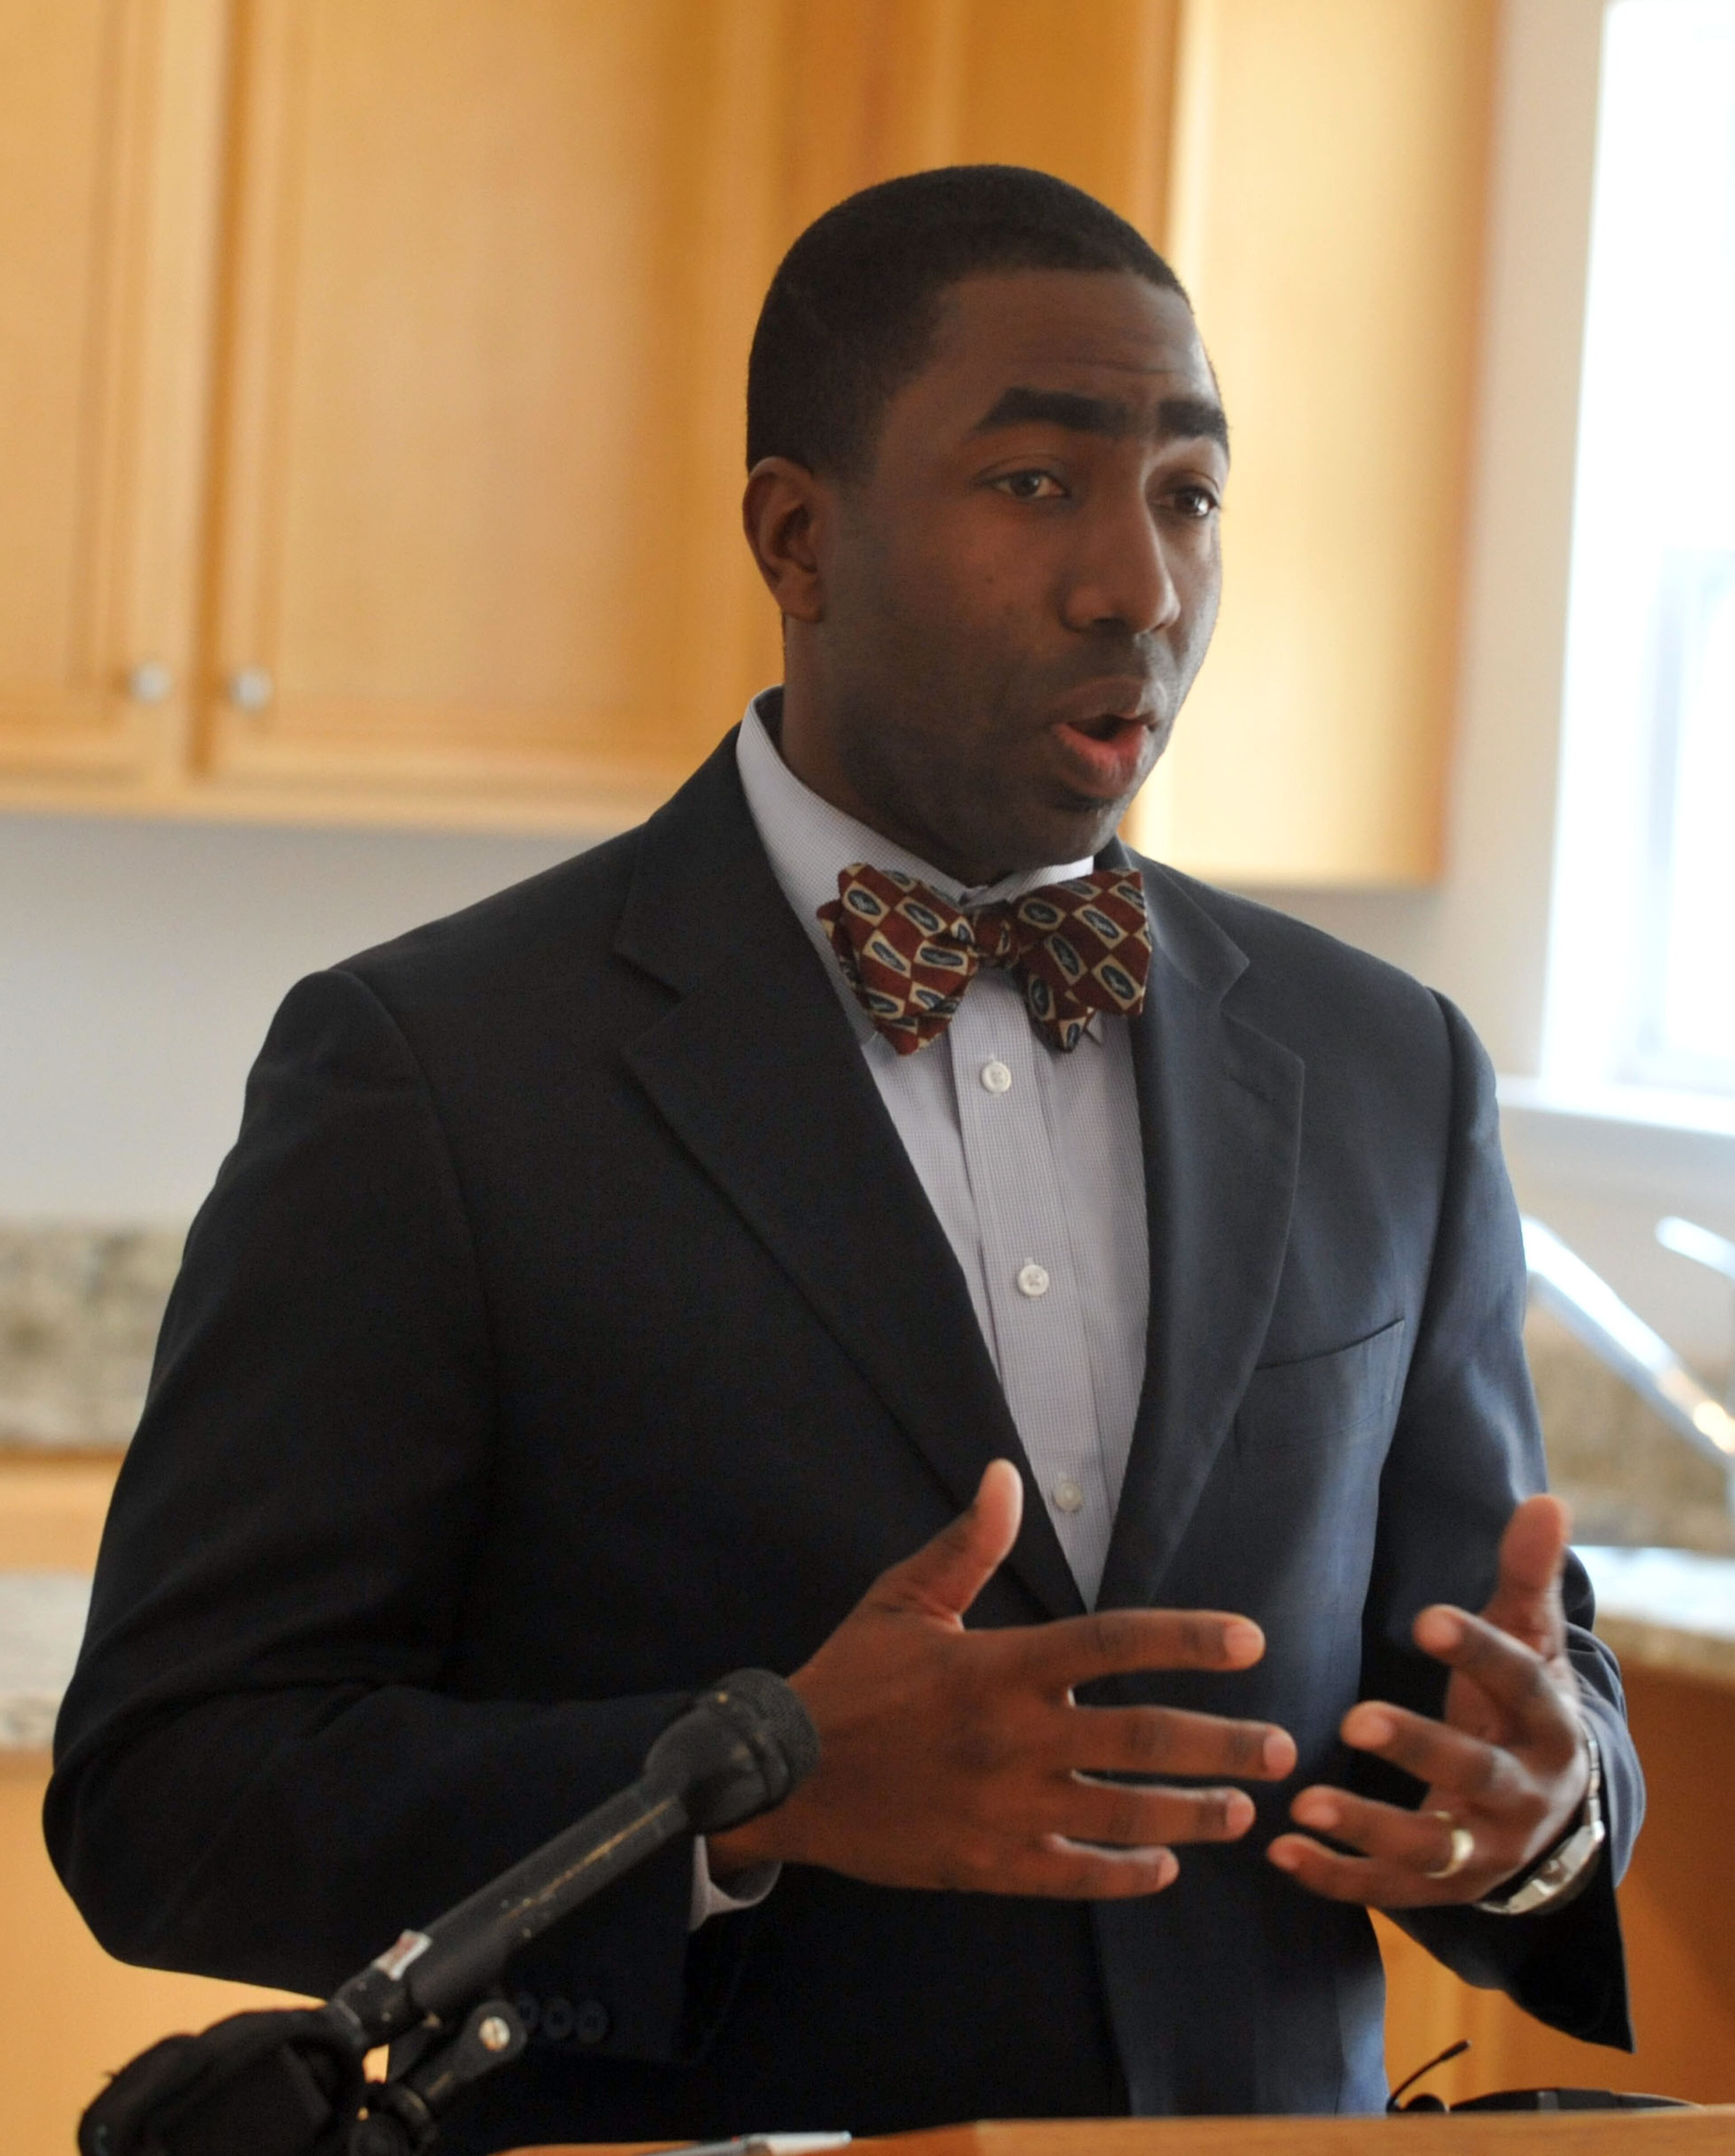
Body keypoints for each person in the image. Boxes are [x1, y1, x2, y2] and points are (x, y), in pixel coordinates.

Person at [47, 167, 1640, 2151]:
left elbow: (1501, 1680)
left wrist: (1544, 1812)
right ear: (797, 537)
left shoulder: (1388, 1067)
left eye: (1189, 495)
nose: (1140, 585)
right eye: (1038, 484)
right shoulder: (433, 1075)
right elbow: (173, 1793)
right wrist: (748, 1791)